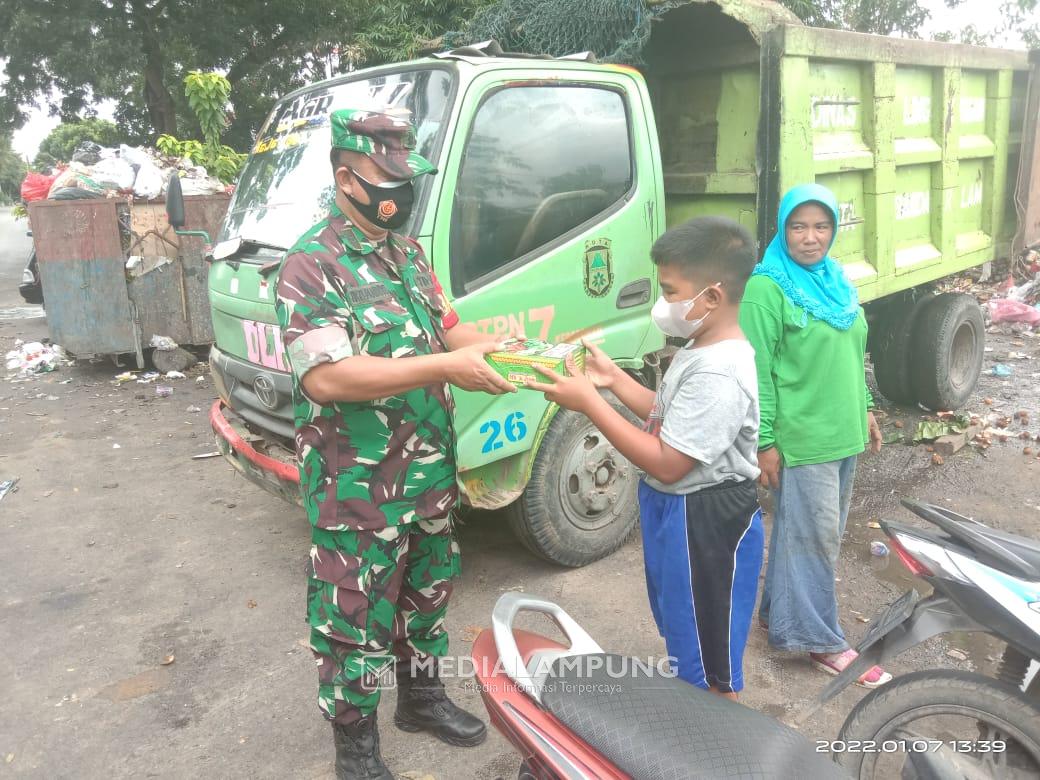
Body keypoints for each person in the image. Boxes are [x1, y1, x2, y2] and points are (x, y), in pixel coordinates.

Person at [275, 108, 518, 780]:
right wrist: (445, 368)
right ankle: (356, 750)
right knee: (353, 623)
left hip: (429, 476)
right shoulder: (310, 264)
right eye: (387, 176)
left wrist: (505, 351)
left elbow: (449, 330)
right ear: (345, 176)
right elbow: (327, 378)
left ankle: (422, 699)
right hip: (358, 490)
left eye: (406, 174)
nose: (399, 190)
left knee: (428, 597)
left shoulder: (406, 254)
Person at [530, 217, 764, 699]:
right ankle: (694, 706)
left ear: (713, 297)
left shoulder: (721, 371)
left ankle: (715, 737)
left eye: (671, 291)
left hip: (704, 521)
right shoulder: (699, 346)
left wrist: (589, 404)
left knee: (708, 657)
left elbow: (667, 461)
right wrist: (613, 380)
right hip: (676, 512)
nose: (664, 304)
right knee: (683, 629)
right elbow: (665, 416)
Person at [739, 183, 890, 688]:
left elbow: (853, 354)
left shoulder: (837, 281)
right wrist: (763, 441)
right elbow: (756, 370)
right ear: (782, 230)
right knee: (816, 540)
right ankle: (820, 640)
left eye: (821, 226)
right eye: (798, 227)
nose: (810, 237)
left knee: (804, 534)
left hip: (843, 431)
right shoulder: (767, 288)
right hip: (803, 438)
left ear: (833, 230)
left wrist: (866, 409)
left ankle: (778, 619)